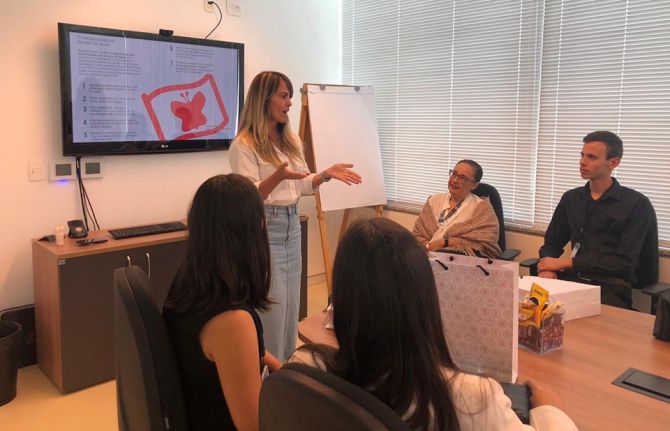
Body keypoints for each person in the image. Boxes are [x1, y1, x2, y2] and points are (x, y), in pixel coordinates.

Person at [290, 218, 577, 430]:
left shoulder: (306, 363)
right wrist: (549, 409)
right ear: (424, 295)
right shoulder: (470, 396)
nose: (455, 179)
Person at [229, 71, 362, 361]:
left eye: (289, 95)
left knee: (291, 309)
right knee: (272, 311)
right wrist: (276, 177)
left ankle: (286, 370)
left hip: (292, 225)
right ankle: (267, 375)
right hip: (266, 226)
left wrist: (324, 175)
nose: (289, 103)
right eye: (284, 95)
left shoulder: (288, 138)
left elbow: (300, 183)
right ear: (264, 99)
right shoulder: (244, 144)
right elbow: (249, 196)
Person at [163, 174, 282, 431]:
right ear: (258, 226)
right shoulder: (232, 322)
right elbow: (254, 426)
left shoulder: (191, 280)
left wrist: (278, 368)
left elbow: (246, 354)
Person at [537, 131, 656, 309]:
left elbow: (623, 263)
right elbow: (552, 242)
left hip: (610, 288)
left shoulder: (637, 204)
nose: (582, 162)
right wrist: (547, 267)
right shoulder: (571, 199)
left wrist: (566, 262)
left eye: (591, 157)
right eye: (582, 155)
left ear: (613, 162)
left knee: (587, 331)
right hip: (572, 280)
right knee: (530, 317)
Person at [412, 159, 501, 258]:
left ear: (474, 185)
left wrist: (445, 242)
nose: (454, 180)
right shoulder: (433, 200)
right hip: (425, 258)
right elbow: (417, 234)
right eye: (453, 174)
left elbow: (483, 245)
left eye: (462, 178)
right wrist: (428, 247)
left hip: (460, 263)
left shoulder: (481, 208)